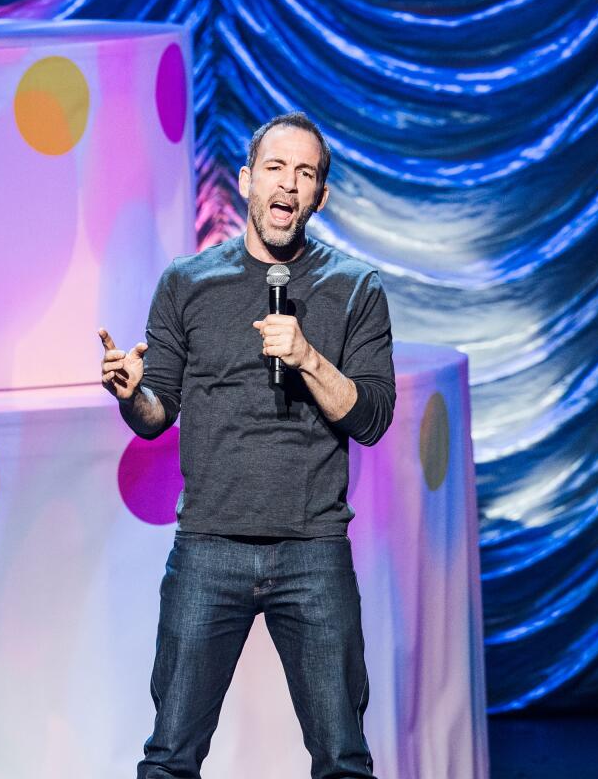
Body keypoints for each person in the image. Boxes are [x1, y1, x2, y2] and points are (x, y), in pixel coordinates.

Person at [99, 111, 395, 779]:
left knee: (344, 760)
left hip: (313, 549)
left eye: (305, 173)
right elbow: (155, 414)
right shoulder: (188, 282)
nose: (287, 184)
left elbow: (372, 418)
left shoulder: (355, 289)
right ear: (245, 182)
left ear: (319, 196)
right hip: (210, 547)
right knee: (170, 756)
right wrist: (130, 393)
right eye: (274, 168)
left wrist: (311, 358)